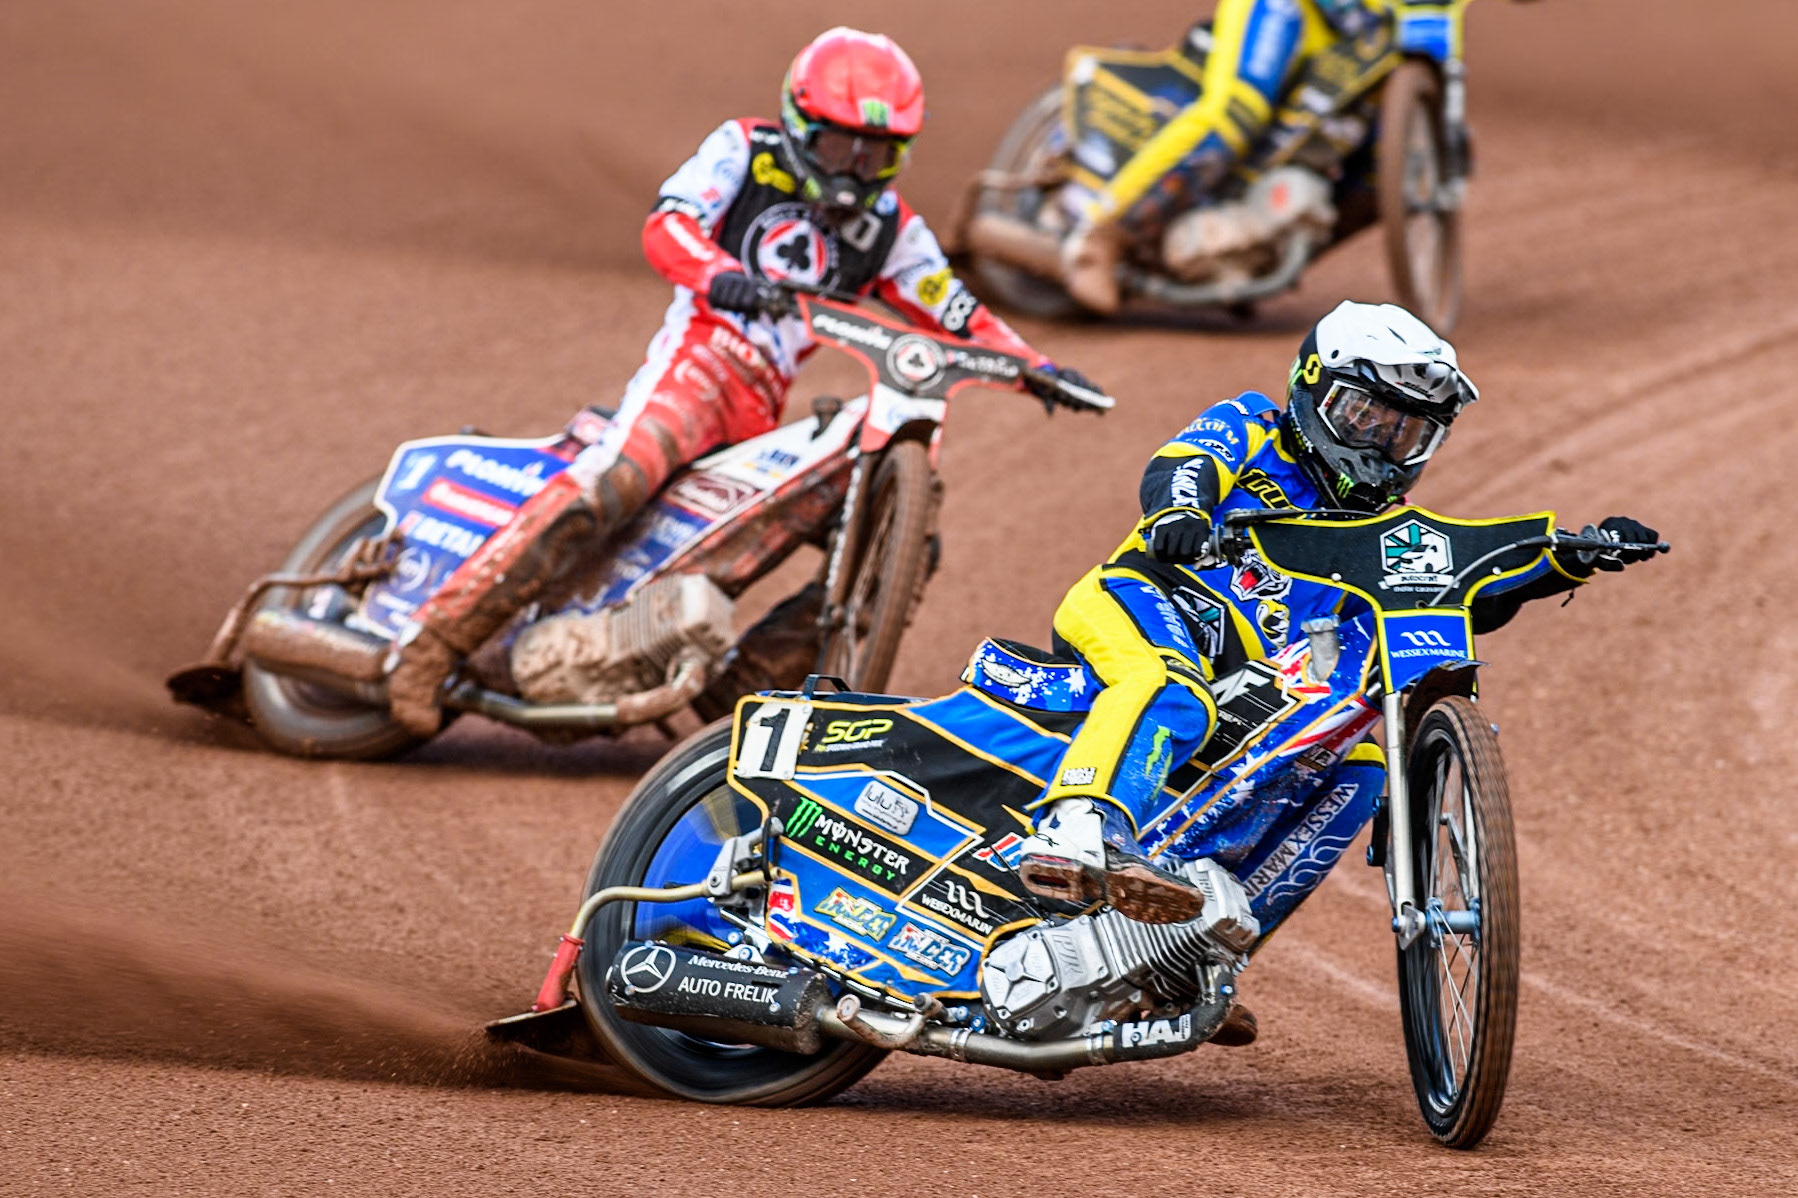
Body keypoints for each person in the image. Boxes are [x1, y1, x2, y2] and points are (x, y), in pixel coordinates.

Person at [387, 27, 1099, 736]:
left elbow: (956, 309)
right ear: (798, 124)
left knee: (901, 541)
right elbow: (669, 225)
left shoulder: (892, 228)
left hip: (761, 405)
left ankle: (747, 685)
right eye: (838, 148)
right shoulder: (742, 151)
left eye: (875, 153)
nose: (854, 172)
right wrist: (719, 275)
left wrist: (1034, 368)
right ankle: (432, 642)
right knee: (618, 480)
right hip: (698, 363)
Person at [1015, 300, 1660, 925]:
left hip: (1252, 689)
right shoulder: (1251, 424)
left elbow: (1466, 587)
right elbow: (1185, 464)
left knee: (1357, 768)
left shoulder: (1383, 532)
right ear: (1311, 387)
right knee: (1170, 688)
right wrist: (1181, 514)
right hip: (1143, 600)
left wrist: (1572, 559)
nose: (1380, 446)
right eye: (1365, 418)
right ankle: (1076, 830)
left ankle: (1200, 946)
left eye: (1405, 433)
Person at [1062, 0, 1394, 313]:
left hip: (1372, 42)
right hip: (1292, 10)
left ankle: (1255, 257)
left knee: (1380, 178)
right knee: (1237, 110)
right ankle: (1102, 237)